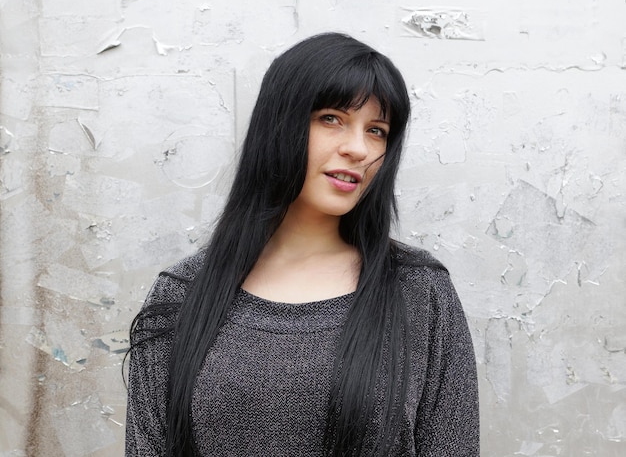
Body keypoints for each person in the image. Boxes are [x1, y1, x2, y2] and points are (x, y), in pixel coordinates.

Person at [125, 32, 479, 456]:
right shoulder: (182, 293)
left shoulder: (419, 291)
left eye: (377, 130)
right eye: (331, 118)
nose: (359, 149)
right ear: (279, 123)